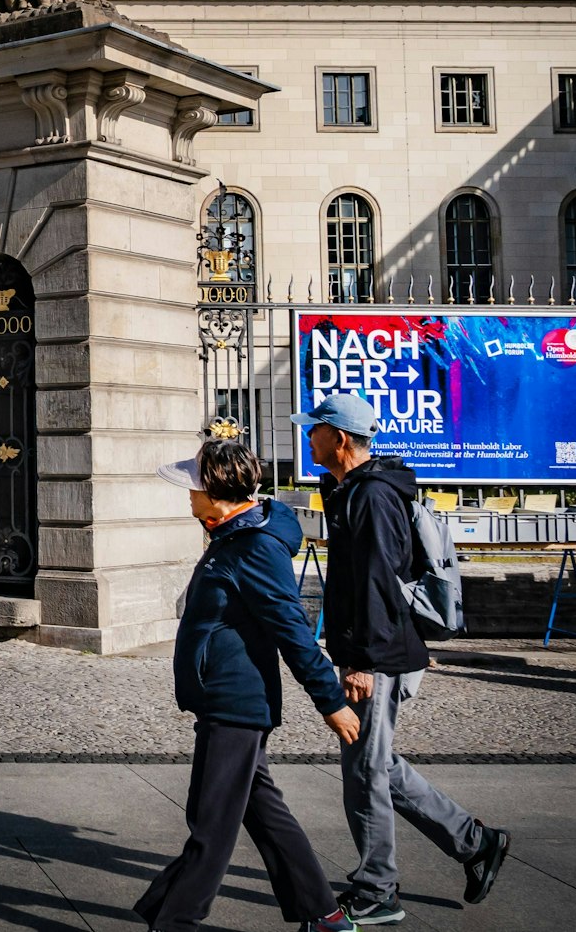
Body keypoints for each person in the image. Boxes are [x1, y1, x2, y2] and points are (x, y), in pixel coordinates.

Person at [296, 393, 511, 925]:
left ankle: (377, 890)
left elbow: (376, 584)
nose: (308, 436)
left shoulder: (372, 497)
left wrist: (362, 661)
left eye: (315, 429)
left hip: (380, 652)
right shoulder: (352, 489)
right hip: (375, 647)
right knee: (378, 764)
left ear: (339, 438)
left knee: (364, 771)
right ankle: (475, 841)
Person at [135, 438, 362, 932]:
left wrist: (332, 702)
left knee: (210, 824)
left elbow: (292, 629)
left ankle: (175, 921)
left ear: (216, 492)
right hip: (228, 698)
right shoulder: (234, 534)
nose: (187, 497)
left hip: (236, 702)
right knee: (263, 813)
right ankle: (323, 914)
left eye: (193, 489)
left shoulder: (253, 547)